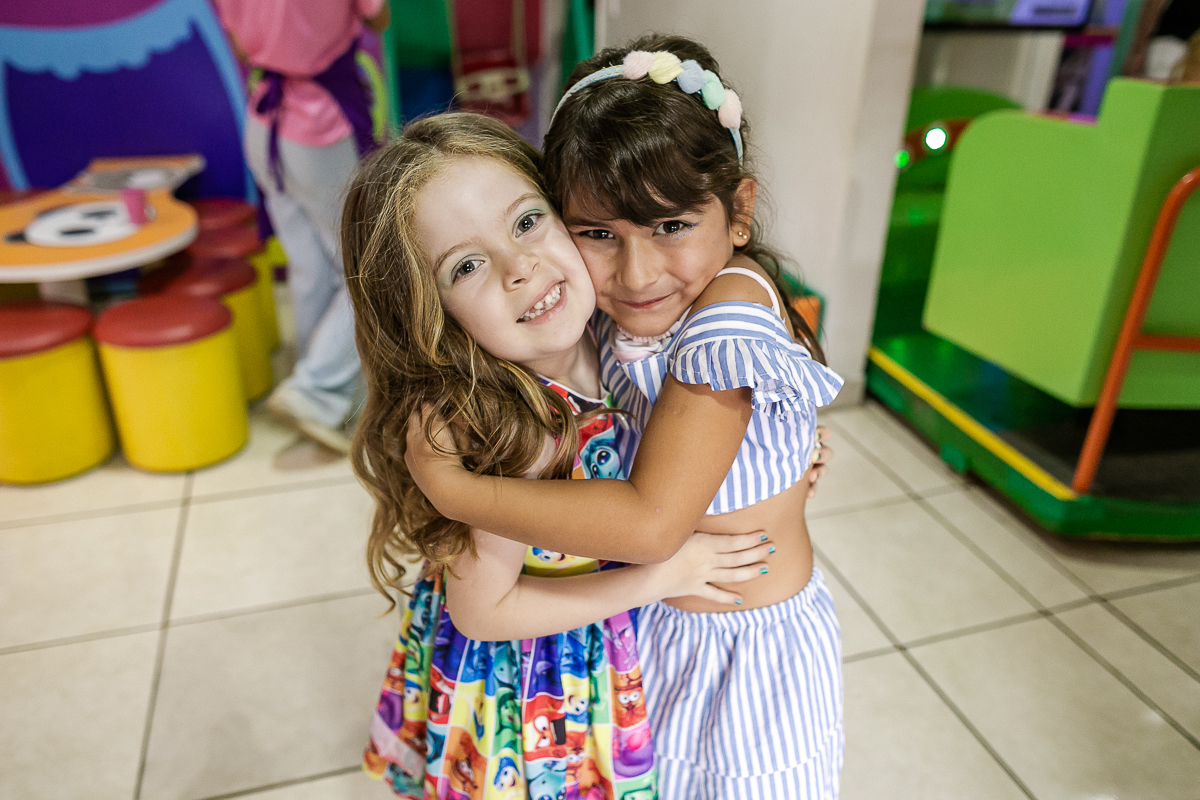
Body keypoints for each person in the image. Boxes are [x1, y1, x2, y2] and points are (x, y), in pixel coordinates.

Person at [407, 35, 845, 799]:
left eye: (670, 226)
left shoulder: (725, 314)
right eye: (599, 233)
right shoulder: (608, 317)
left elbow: (650, 525)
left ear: (738, 210)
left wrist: (455, 490)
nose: (637, 273)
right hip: (652, 627)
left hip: (746, 656)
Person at [343, 113, 775, 799]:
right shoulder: (500, 430)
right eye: (467, 265)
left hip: (591, 643)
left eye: (526, 222)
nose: (523, 269)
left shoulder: (614, 333)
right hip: (529, 686)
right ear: (426, 310)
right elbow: (485, 612)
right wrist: (662, 576)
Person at [215, 0, 389, 452]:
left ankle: (322, 387)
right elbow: (378, 16)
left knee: (310, 265)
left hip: (266, 120)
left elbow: (238, 45)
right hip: (319, 126)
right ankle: (315, 391)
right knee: (365, 268)